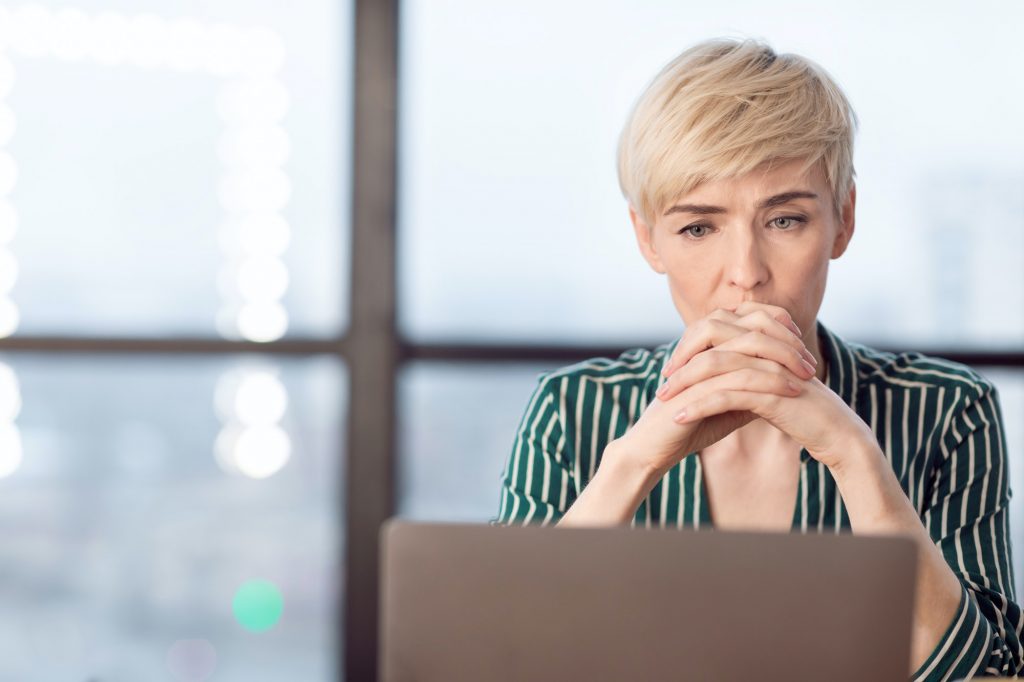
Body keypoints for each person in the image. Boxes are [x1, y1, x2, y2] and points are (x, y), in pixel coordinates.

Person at [489, 38, 1021, 680]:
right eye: (697, 228)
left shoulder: (945, 409)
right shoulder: (572, 410)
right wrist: (636, 458)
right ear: (647, 239)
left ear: (843, 220)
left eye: (786, 220)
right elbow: (502, 658)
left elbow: (990, 674)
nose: (745, 275)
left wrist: (854, 454)